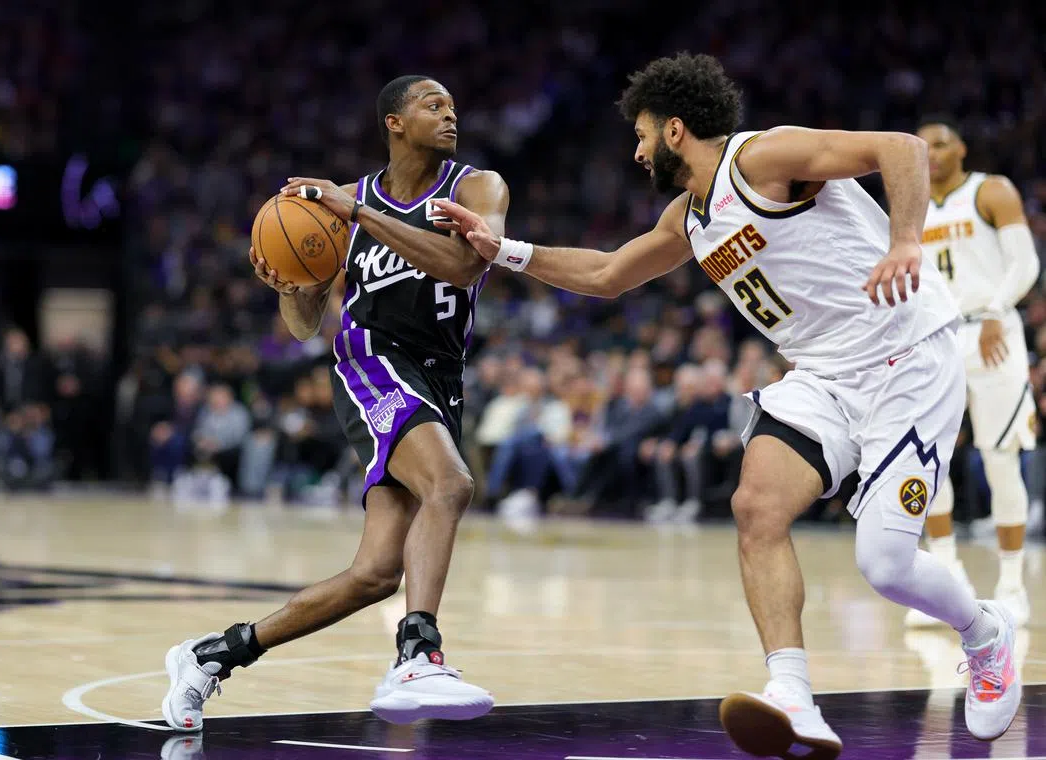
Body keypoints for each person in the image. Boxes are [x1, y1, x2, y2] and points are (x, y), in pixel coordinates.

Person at [432, 53, 1021, 758]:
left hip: (909, 357)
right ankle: (793, 695)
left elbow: (901, 149)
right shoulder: (689, 216)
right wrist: (502, 250)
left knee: (886, 565)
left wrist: (903, 241)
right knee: (756, 508)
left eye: (643, 134)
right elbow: (611, 273)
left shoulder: (765, 158)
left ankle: (985, 633)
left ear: (676, 130)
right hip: (824, 373)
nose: (637, 149)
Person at [161, 75, 510, 731]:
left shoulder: (475, 187)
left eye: (454, 106)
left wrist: (356, 215)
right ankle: (418, 652)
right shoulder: (349, 205)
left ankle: (212, 656)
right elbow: (301, 323)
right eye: (433, 105)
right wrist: (289, 284)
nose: (450, 114)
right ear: (394, 123)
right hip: (371, 364)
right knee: (452, 483)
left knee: (376, 573)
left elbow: (468, 265)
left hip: (440, 375)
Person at [906, 118, 1040, 629]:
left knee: (1000, 456)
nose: (933, 153)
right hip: (934, 338)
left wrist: (993, 311)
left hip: (992, 331)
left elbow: (1025, 264)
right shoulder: (909, 205)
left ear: (961, 147)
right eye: (924, 146)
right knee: (928, 459)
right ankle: (945, 575)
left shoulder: (991, 190)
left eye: (941, 143)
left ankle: (1010, 583)